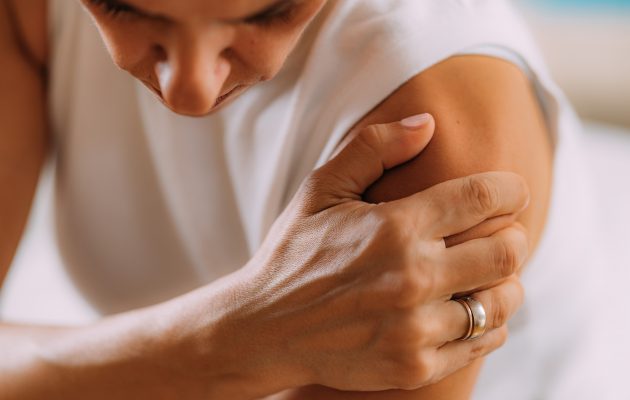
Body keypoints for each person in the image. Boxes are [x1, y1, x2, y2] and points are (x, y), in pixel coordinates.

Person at [0, 0, 596, 399]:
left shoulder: (433, 130)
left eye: (269, 12)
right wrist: (238, 337)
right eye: (120, 6)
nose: (189, 92)